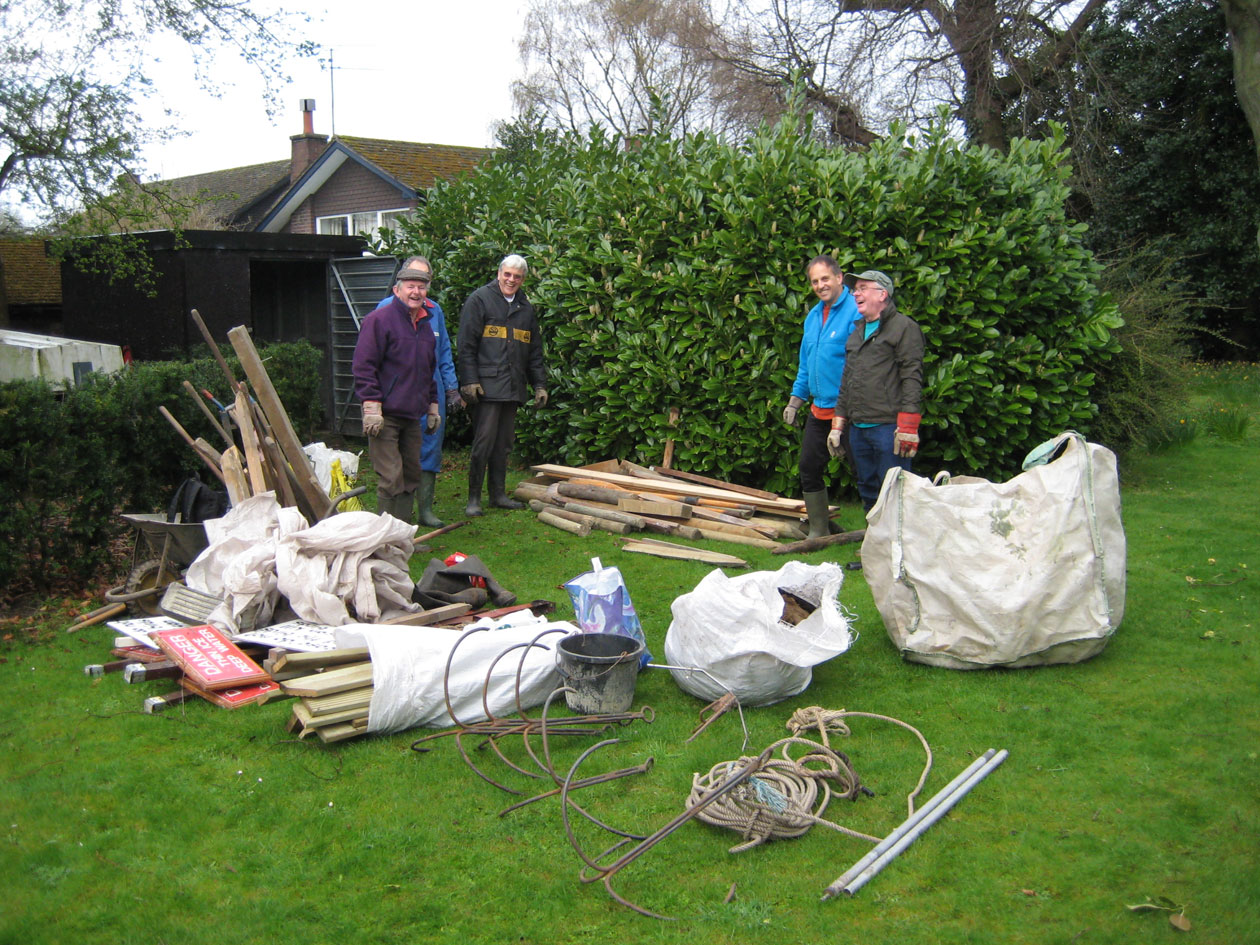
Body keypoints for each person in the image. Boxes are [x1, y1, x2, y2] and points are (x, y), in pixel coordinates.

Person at [456, 254, 547, 516]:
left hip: (513, 386)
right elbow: (467, 344)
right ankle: (474, 499)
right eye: (507, 274)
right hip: (486, 387)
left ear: (523, 279)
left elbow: (534, 351)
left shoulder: (525, 308)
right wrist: (470, 380)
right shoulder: (479, 299)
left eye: (517, 277)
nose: (511, 280)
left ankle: (497, 495)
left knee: (504, 444)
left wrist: (539, 384)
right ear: (499, 273)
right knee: (483, 443)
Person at [377, 255, 463, 528]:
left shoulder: (435, 311)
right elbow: (369, 361)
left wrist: (451, 388)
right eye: (412, 282)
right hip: (396, 396)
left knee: (429, 452)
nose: (418, 289)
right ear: (400, 285)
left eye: (424, 282)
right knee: (397, 459)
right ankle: (394, 522)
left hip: (430, 392)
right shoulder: (383, 311)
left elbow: (444, 352)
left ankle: (424, 511)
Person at [352, 266, 442, 524]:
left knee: (411, 475)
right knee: (391, 477)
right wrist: (371, 408)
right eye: (410, 286)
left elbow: (428, 370)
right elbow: (363, 365)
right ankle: (384, 540)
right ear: (397, 290)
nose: (416, 291)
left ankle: (402, 538)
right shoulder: (379, 320)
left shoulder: (424, 326)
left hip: (412, 417)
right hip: (385, 415)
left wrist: (432, 406)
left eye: (421, 287)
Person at [830, 270, 925, 511]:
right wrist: (838, 425)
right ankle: (875, 543)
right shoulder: (857, 331)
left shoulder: (904, 328)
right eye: (855, 289)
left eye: (862, 288)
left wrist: (908, 426)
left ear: (882, 294)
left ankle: (898, 546)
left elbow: (912, 377)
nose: (856, 293)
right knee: (868, 488)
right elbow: (847, 380)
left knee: (895, 492)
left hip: (888, 429)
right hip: (858, 429)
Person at [783, 255, 863, 538]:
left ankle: (879, 534)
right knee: (808, 467)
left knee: (863, 473)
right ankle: (819, 530)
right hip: (819, 410)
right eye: (815, 281)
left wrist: (843, 420)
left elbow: (860, 365)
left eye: (825, 278)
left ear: (840, 278)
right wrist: (796, 399)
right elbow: (808, 364)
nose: (820, 285)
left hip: (850, 410)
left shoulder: (856, 311)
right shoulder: (814, 315)